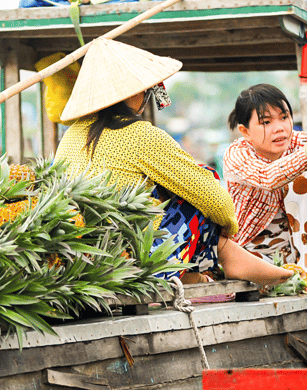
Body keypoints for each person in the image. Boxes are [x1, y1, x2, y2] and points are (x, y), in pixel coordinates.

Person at [54, 37, 293, 288]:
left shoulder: (71, 135)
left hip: (80, 257)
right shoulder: (140, 135)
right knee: (201, 183)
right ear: (134, 91)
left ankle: (208, 265)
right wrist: (227, 228)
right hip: (131, 261)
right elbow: (215, 199)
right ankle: (229, 257)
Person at [224, 84, 307, 293]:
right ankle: (286, 277)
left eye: (284, 117)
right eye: (266, 122)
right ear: (245, 131)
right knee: (302, 170)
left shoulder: (303, 141)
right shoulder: (237, 155)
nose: (280, 128)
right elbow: (268, 177)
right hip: (264, 257)